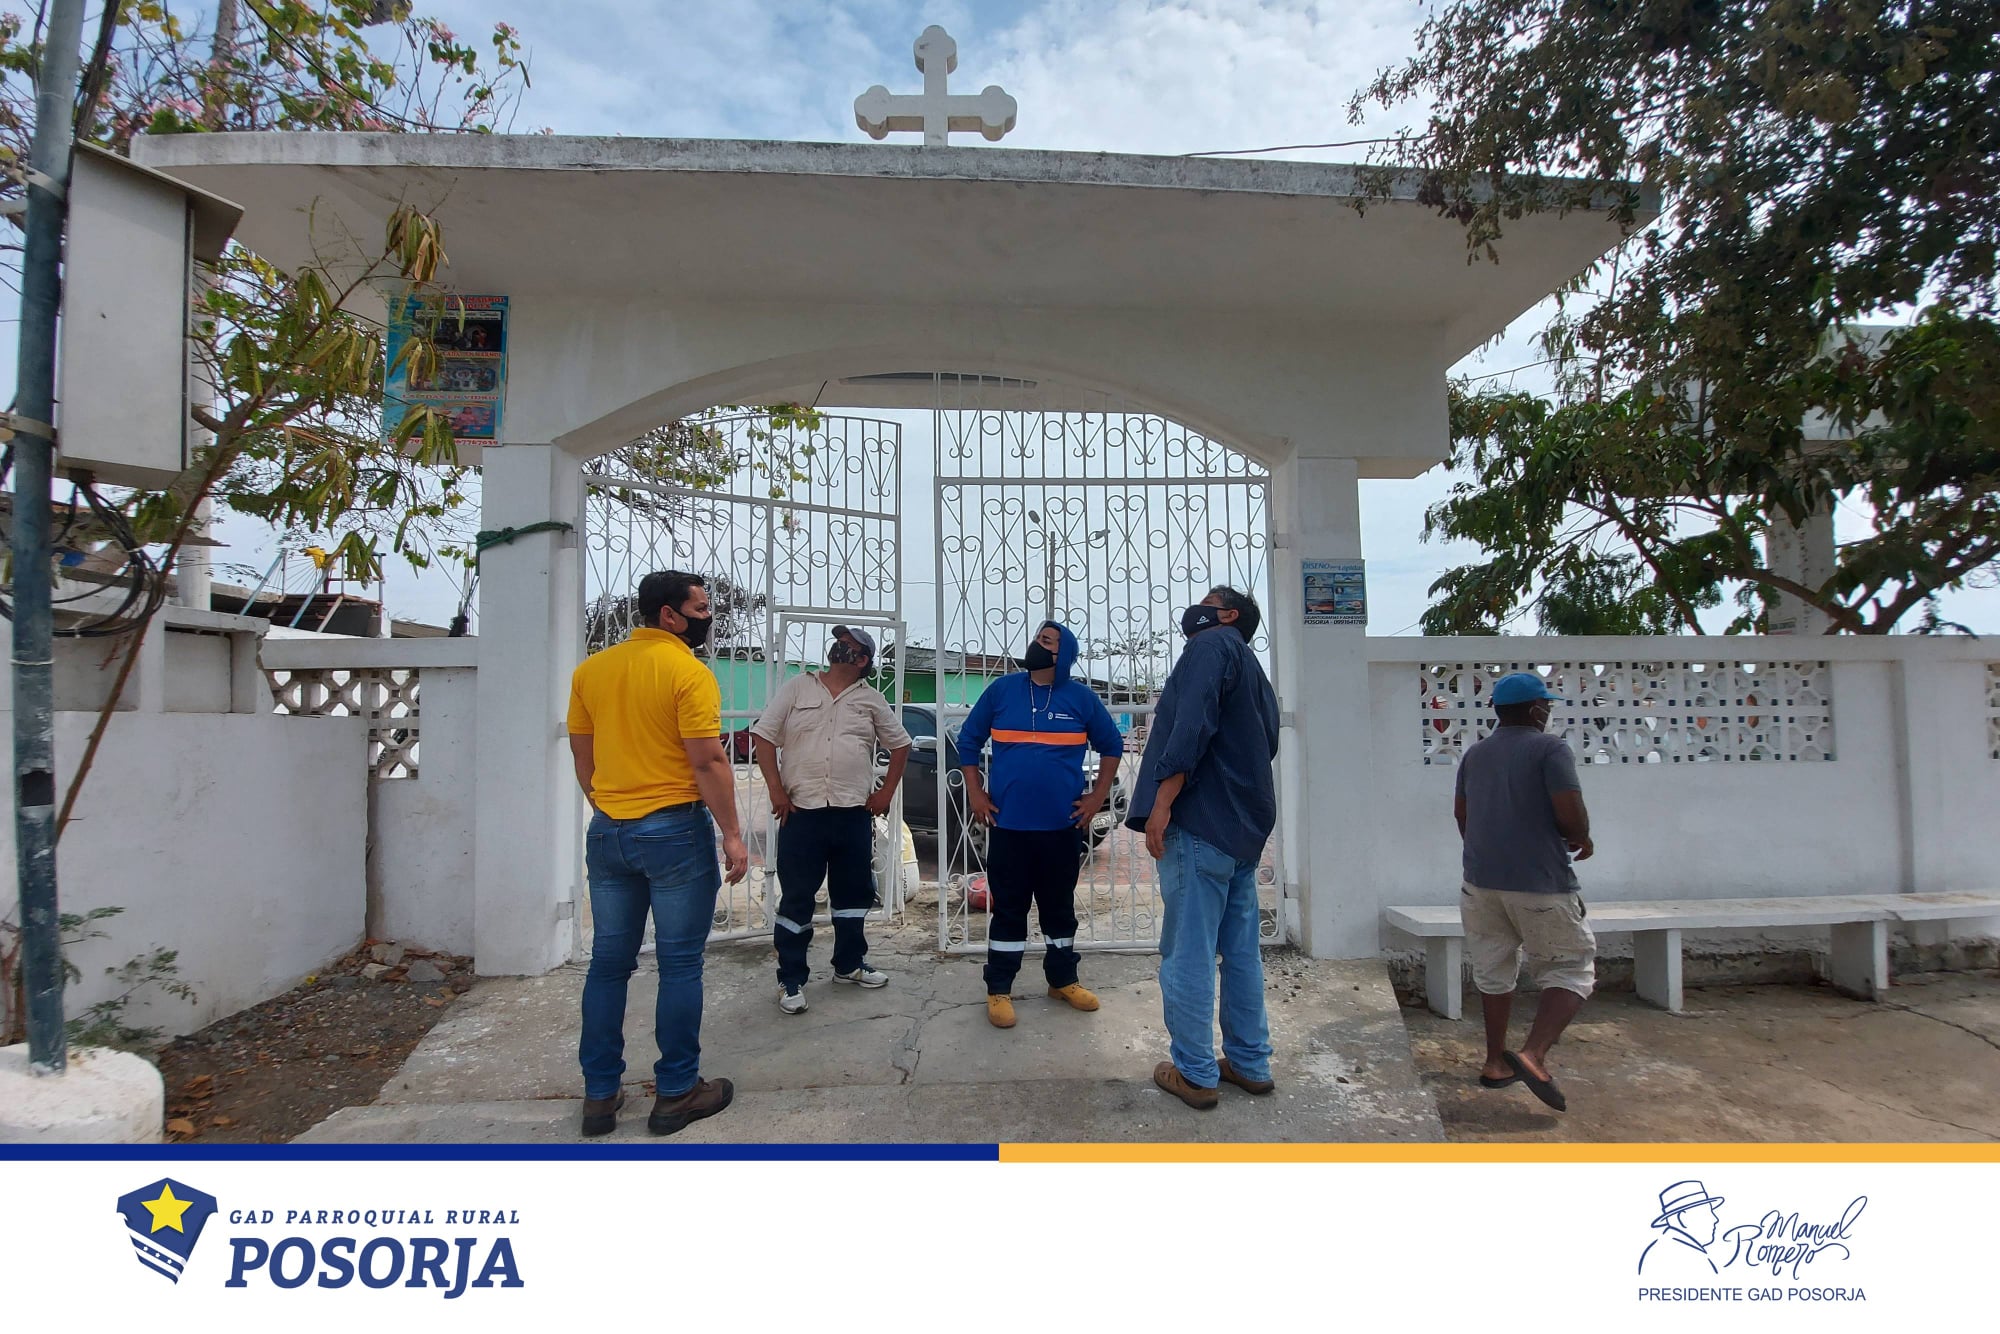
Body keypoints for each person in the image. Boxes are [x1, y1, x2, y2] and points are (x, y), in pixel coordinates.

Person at [566, 570, 747, 1137]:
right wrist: (733, 834)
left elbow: (583, 755)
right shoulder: (687, 672)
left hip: (608, 831)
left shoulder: (592, 671)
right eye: (701, 609)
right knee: (680, 964)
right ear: (669, 615)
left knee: (608, 963)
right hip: (673, 831)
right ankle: (676, 1092)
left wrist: (609, 806)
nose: (708, 618)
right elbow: (708, 760)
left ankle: (600, 1096)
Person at [1128, 586, 1281, 1110]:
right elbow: (1268, 742)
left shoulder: (1212, 645)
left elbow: (1191, 725)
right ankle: (1249, 1062)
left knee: (1188, 953)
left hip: (1201, 823)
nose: (1197, 608)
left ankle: (1195, 1073)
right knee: (1240, 953)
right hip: (1243, 829)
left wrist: (1163, 801)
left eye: (1208, 601)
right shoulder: (1254, 670)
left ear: (1229, 615)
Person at [958, 620, 1124, 1029]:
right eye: (1037, 637)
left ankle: (1063, 980)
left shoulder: (1081, 699)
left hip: (1060, 828)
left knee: (1058, 909)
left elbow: (1112, 746)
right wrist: (976, 793)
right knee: (1009, 910)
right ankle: (999, 988)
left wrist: (1097, 797)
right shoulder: (1002, 691)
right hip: (1009, 826)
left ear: (1062, 654)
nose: (1035, 644)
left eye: (1046, 640)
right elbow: (968, 740)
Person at [1454, 670, 1596, 1113]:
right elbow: (1569, 808)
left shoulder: (1475, 754)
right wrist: (1581, 836)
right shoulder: (1550, 749)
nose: (1548, 711)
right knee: (1571, 969)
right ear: (1536, 709)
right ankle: (1533, 1054)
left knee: (1494, 972)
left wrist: (1489, 851)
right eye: (1546, 705)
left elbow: (1462, 815)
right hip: (1541, 884)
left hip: (1480, 883)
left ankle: (1495, 1062)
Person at [752, 625, 913, 1014]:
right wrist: (776, 790)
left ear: (863, 660)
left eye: (849, 645)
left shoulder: (871, 699)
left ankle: (849, 964)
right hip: (802, 813)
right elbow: (764, 737)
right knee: (797, 898)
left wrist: (886, 793)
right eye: (839, 641)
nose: (839, 646)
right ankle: (791, 978)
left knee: (853, 896)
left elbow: (901, 744)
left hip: (852, 813)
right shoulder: (797, 688)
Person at [1638, 1181, 1726, 1276]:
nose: (1715, 1219)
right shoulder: (1692, 1258)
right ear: (1683, 1218)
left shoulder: (1659, 1249)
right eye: (1706, 1213)